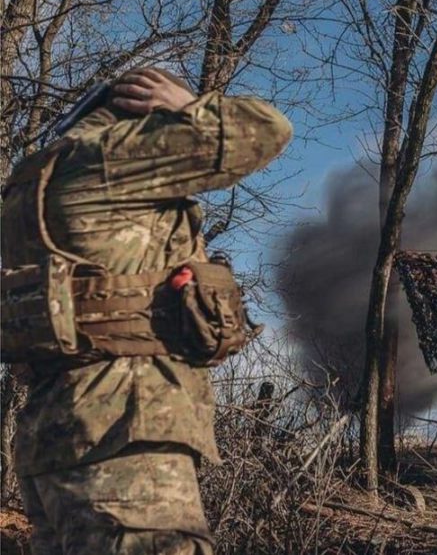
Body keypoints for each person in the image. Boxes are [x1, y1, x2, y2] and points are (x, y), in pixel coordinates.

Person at [1, 68, 292, 554]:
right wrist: (186, 105)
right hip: (125, 432)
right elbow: (265, 129)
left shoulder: (27, 187)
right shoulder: (108, 157)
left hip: (51, 444)